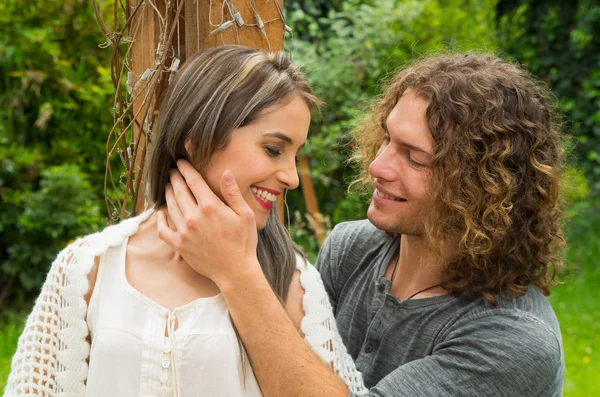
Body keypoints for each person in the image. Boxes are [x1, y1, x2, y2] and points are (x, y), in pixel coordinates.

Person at [159, 52, 566, 396]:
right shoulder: (351, 249)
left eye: (414, 157)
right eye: (387, 140)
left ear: (482, 186)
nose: (377, 166)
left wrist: (237, 273)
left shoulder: (515, 340)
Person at [3, 45, 367, 396]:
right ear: (198, 139)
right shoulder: (88, 267)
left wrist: (239, 273)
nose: (291, 177)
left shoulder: (293, 279)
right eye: (274, 149)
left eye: (295, 154)